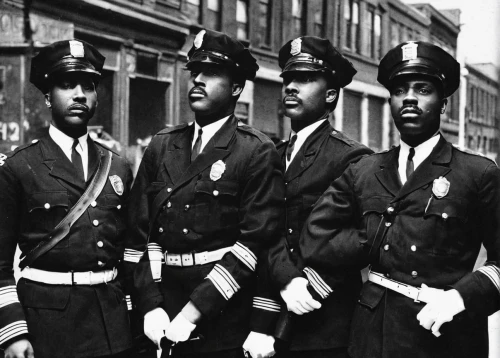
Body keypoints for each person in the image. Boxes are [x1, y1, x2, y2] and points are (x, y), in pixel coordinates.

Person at [298, 41, 500, 357]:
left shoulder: (477, 173)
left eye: (422, 89)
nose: (408, 97)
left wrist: (461, 298)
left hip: (444, 334)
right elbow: (316, 237)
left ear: (444, 104)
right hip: (372, 333)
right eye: (400, 90)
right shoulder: (364, 169)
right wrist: (374, 238)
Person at [129, 29, 285, 358]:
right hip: (161, 306)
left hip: (222, 312)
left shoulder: (255, 150)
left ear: (237, 88)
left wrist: (192, 313)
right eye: (194, 72)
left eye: (212, 73)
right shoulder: (162, 144)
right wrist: (149, 305)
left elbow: (253, 244)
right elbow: (137, 232)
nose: (197, 80)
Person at [0, 40, 134, 357]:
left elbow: (129, 252)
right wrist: (13, 333)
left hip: (110, 326)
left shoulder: (117, 166)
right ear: (47, 96)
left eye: (88, 85)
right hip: (46, 327)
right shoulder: (20, 166)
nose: (78, 94)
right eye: (66, 84)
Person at [252, 36, 372, 358]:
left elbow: (363, 237)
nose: (291, 87)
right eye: (288, 79)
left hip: (326, 323)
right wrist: (286, 281)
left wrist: (308, 286)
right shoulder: (272, 155)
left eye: (305, 79)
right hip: (271, 308)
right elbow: (267, 227)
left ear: (331, 94)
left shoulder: (351, 157)